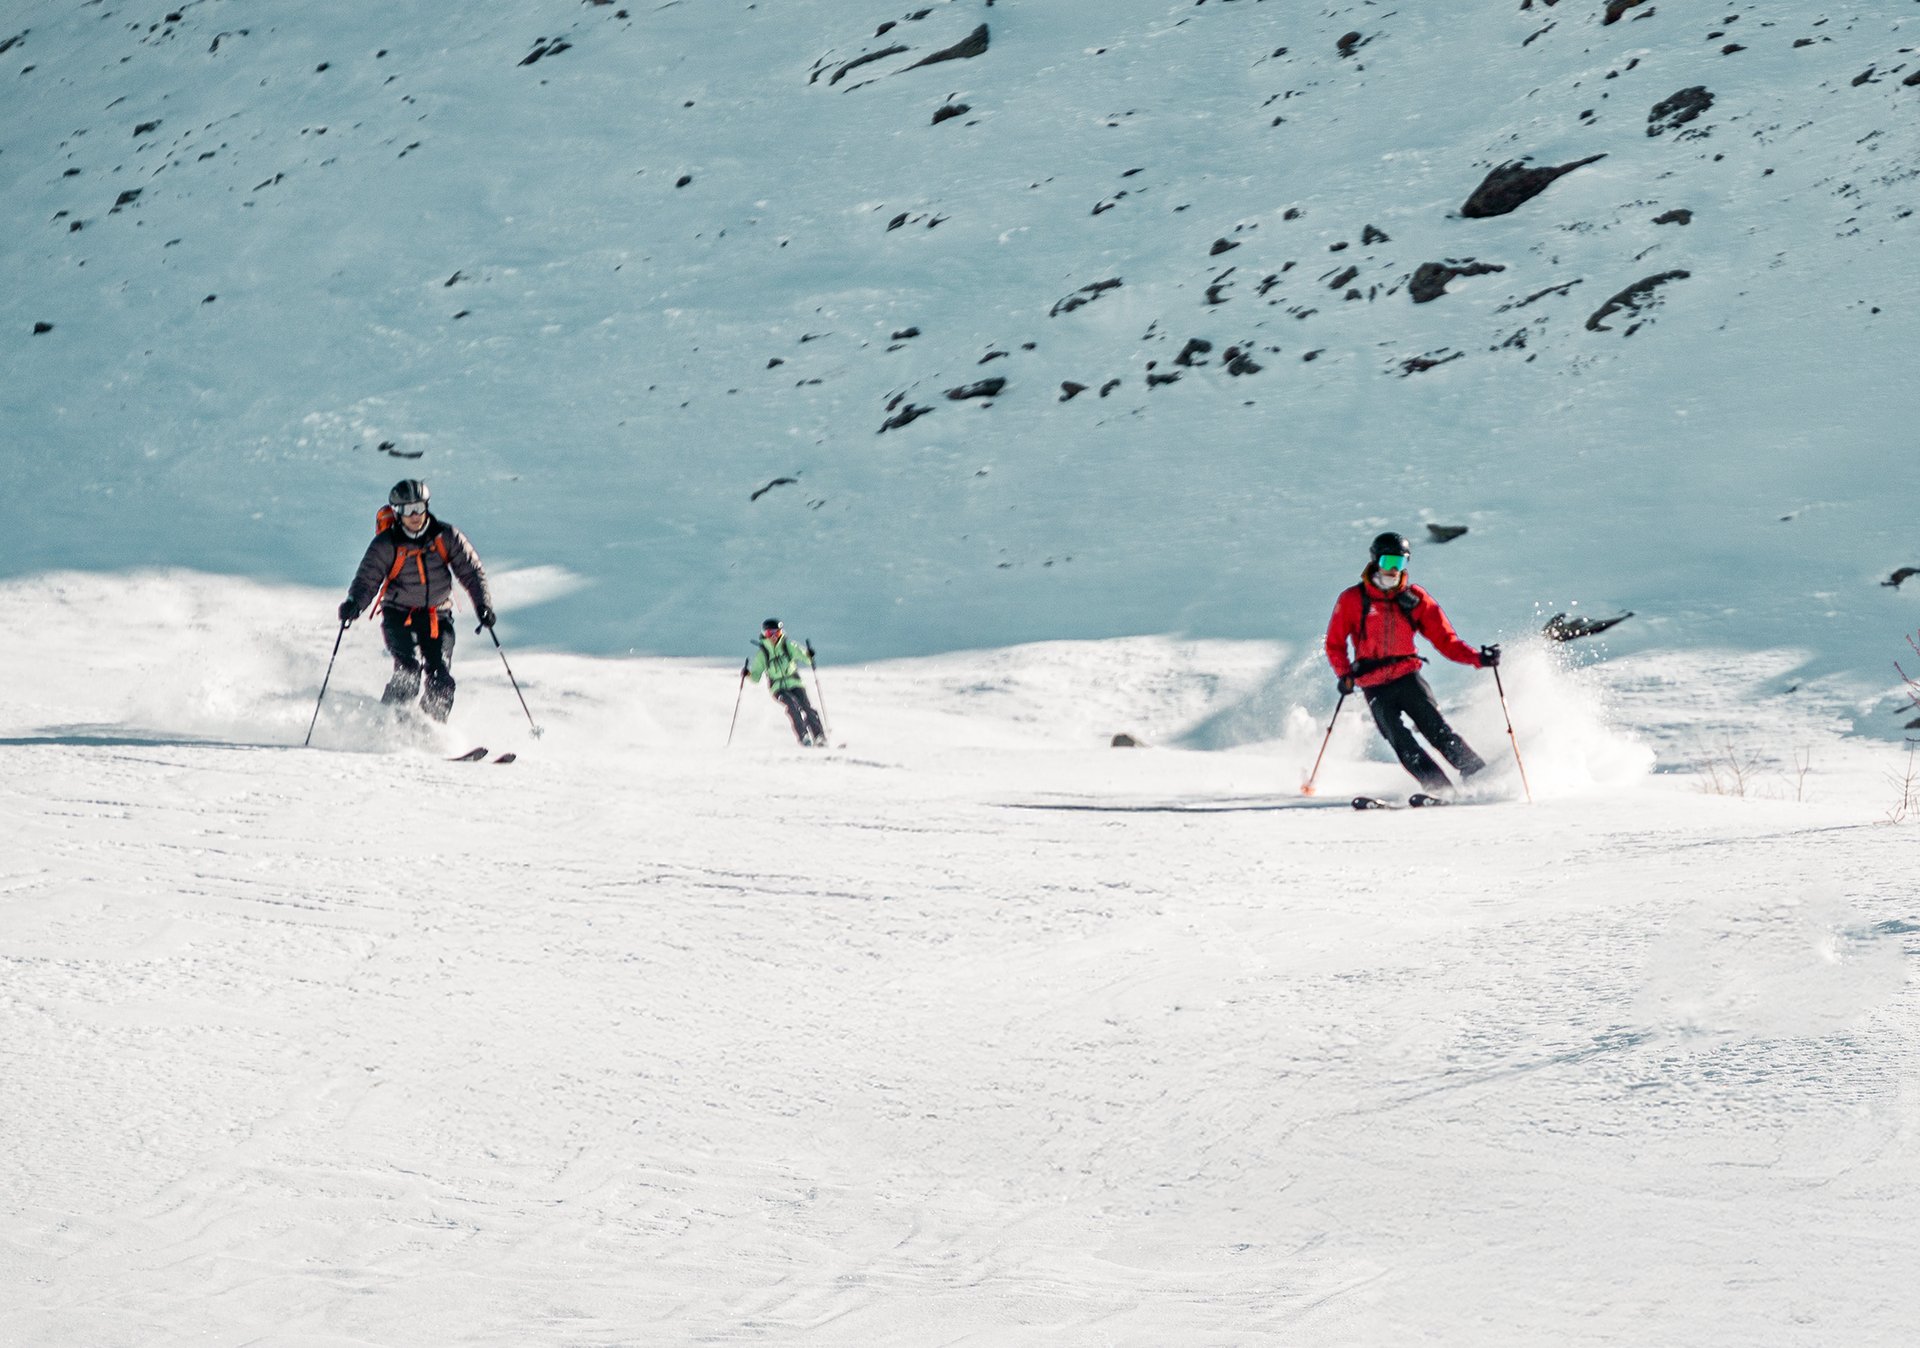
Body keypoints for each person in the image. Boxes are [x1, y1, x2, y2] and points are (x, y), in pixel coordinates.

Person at [1323, 531, 1500, 793]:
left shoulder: (1414, 599)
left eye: (1400, 563)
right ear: (1375, 561)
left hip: (1407, 677)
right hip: (1373, 684)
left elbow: (1446, 640)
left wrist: (1478, 658)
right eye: (1388, 562)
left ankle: (1479, 776)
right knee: (1400, 740)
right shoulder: (1352, 599)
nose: (1393, 570)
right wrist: (1344, 674)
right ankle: (1439, 789)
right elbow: (1334, 644)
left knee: (1437, 730)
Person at [337, 480, 495, 723]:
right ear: (397, 512)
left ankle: (429, 728)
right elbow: (367, 579)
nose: (415, 515)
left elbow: (471, 571)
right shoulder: (386, 544)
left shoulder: (445, 536)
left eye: (419, 507)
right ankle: (385, 723)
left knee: (441, 679)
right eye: (407, 509)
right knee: (408, 672)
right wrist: (354, 604)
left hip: (437, 617)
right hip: (398, 615)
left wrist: (483, 606)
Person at [747, 618, 825, 746]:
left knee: (806, 706)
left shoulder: (788, 646)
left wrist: (809, 655)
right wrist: (748, 674)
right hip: (778, 688)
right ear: (764, 634)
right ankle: (804, 736)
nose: (773, 637)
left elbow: (805, 658)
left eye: (776, 633)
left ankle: (819, 736)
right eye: (769, 633)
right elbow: (756, 677)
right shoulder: (763, 654)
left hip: (795, 683)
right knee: (792, 706)